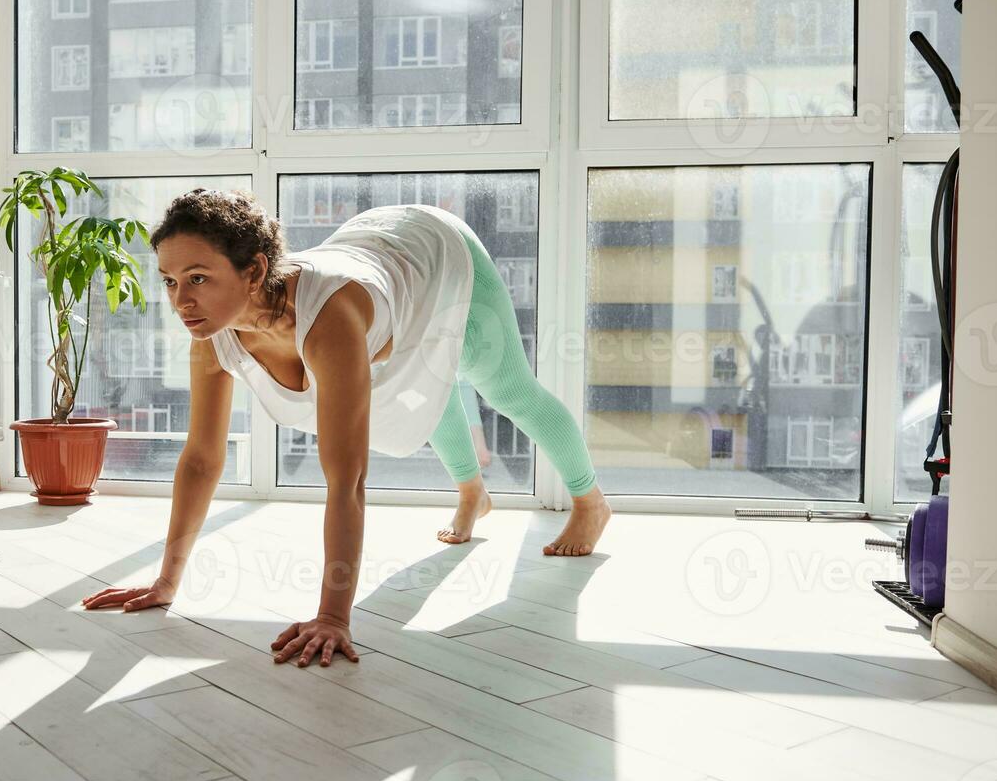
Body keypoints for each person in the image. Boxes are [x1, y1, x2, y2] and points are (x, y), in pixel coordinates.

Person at [82, 188, 610, 668]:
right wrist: (166, 581)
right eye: (170, 281)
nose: (180, 301)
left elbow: (347, 479)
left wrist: (333, 617)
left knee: (503, 388)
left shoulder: (327, 316)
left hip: (435, 250)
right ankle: (474, 493)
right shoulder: (213, 336)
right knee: (425, 383)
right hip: (375, 253)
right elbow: (201, 459)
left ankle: (590, 503)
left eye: (198, 278)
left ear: (254, 271)